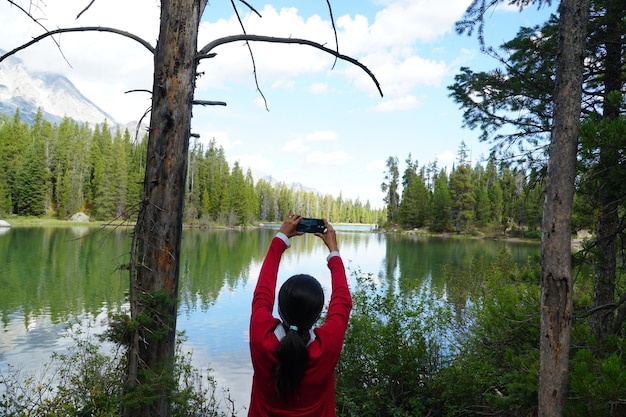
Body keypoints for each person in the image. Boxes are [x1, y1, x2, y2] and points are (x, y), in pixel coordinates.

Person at [248, 212, 352, 417]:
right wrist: (333, 250)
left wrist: (281, 238)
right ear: (318, 313)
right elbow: (342, 301)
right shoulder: (327, 345)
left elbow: (262, 292)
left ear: (280, 308)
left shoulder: (262, 337)